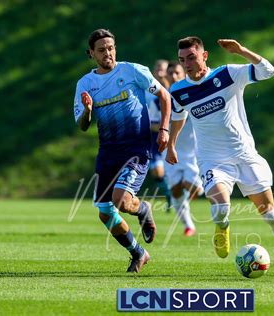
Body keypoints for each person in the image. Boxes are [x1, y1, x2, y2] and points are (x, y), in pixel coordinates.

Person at [166, 36, 274, 276]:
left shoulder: (227, 75)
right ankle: (222, 228)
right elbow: (178, 116)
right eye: (182, 60)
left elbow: (268, 71)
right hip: (212, 160)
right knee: (220, 206)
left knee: (270, 214)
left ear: (204, 55)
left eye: (191, 57)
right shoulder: (179, 90)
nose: (187, 64)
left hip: (245, 156)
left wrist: (241, 51)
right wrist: (171, 144)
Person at [73, 29, 171, 273]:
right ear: (91, 54)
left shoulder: (132, 71)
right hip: (107, 152)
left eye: (111, 47)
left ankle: (143, 208)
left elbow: (165, 95)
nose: (108, 53)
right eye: (101, 49)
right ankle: (138, 252)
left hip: (136, 148)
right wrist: (87, 110)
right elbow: (83, 125)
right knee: (105, 213)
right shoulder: (86, 84)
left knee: (121, 201)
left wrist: (164, 130)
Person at [164, 60, 204, 236]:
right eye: (170, 73)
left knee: (193, 188)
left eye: (177, 73)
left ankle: (198, 189)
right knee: (175, 189)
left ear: (184, 74)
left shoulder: (192, 92)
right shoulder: (161, 97)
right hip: (169, 150)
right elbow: (152, 121)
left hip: (192, 152)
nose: (173, 76)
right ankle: (189, 225)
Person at [146, 60, 173, 210]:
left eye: (163, 69)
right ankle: (169, 195)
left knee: (170, 170)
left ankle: (175, 196)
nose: (160, 72)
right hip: (151, 136)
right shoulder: (147, 89)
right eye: (157, 68)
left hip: (168, 135)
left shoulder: (173, 90)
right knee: (156, 171)